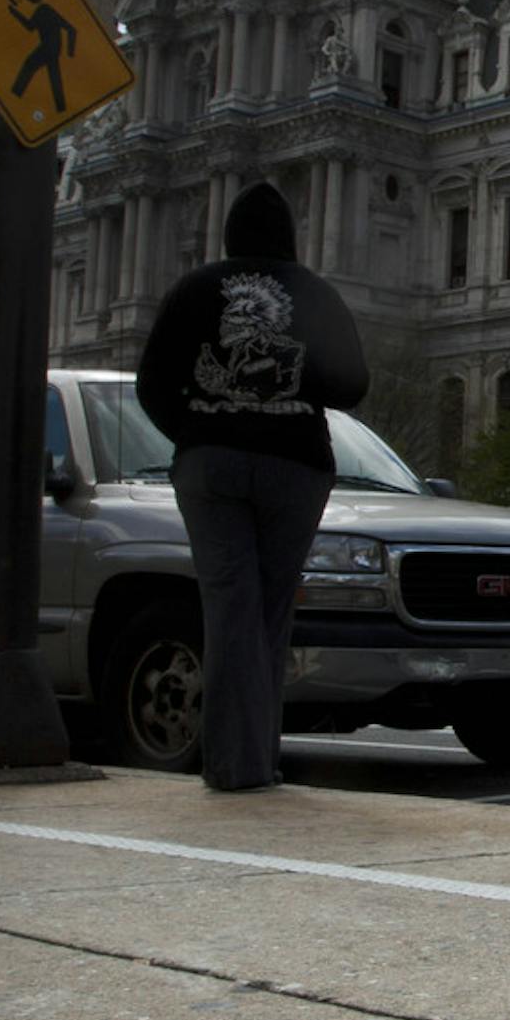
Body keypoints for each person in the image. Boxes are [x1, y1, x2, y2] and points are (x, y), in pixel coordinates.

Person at [136, 180, 369, 791]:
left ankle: (239, 765)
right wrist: (295, 388)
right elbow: (352, 385)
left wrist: (199, 432)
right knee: (269, 611)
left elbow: (151, 384)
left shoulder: (193, 289)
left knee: (229, 607)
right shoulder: (313, 292)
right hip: (295, 465)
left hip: (211, 466)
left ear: (228, 235)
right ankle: (255, 761)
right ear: (289, 237)